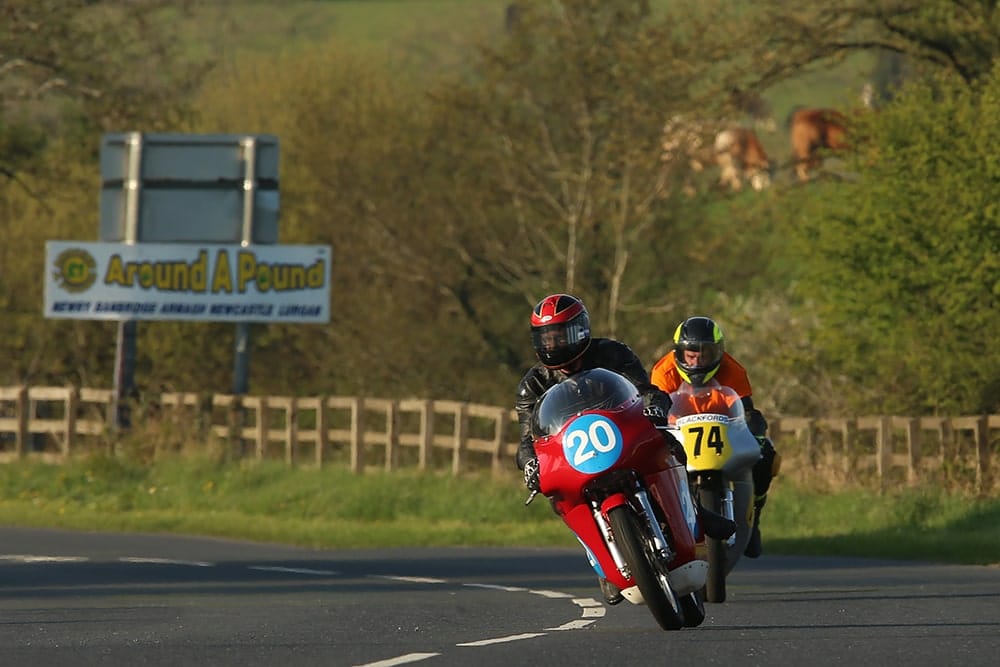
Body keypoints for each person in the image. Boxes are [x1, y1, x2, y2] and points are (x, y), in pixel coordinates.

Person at [515, 294, 713, 606]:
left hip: (626, 433)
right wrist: (528, 462)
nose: (553, 345)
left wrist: (655, 405)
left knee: (673, 448)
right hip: (575, 454)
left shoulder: (612, 352)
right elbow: (528, 435)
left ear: (580, 331)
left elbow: (644, 389)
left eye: (560, 336)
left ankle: (699, 514)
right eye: (546, 338)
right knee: (560, 499)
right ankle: (601, 560)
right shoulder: (533, 383)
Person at [650, 316, 780, 559]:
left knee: (767, 454)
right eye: (691, 354)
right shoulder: (663, 371)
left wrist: (755, 427)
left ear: (718, 353)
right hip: (680, 433)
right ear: (679, 352)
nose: (697, 360)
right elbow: (657, 409)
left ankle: (755, 513)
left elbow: (746, 408)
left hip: (723, 431)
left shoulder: (733, 369)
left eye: (705, 354)